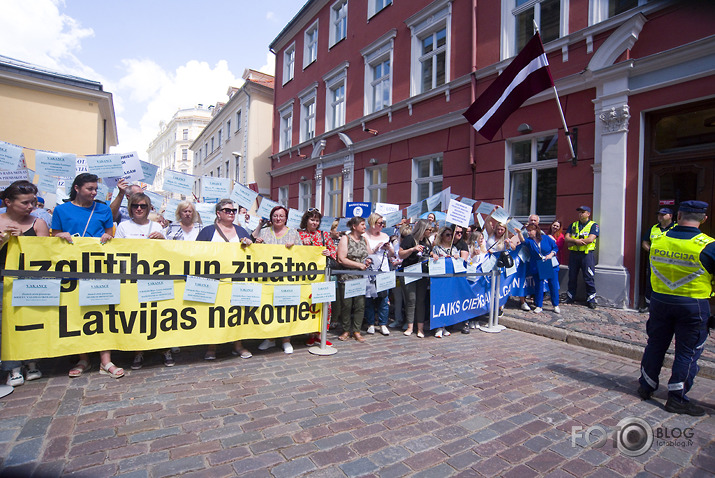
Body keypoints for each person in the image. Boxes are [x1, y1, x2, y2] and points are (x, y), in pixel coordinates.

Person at [637, 200, 714, 416]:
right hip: (692, 305)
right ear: (704, 219)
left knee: (655, 345)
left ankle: (646, 386)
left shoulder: (658, 240)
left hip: (660, 301)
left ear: (678, 215)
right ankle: (677, 398)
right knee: (687, 353)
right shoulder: (708, 246)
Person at [52, 173, 123, 379]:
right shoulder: (61, 210)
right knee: (78, 311)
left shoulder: (102, 210)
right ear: (76, 188)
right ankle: (83, 358)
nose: (93, 193)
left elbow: (110, 235)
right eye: (89, 189)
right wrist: (59, 236)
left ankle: (105, 360)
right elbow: (53, 236)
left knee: (103, 311)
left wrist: (108, 237)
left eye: (95, 189)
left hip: (99, 269)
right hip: (71, 269)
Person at [115, 194, 175, 368]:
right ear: (130, 208)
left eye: (142, 206)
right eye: (135, 206)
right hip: (132, 278)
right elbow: (117, 251)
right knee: (137, 314)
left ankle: (165, 349)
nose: (139, 209)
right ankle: (138, 351)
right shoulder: (124, 226)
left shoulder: (156, 226)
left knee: (160, 313)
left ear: (148, 208)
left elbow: (170, 252)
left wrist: (163, 239)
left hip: (156, 277)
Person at [0, 181, 50, 387]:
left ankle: (32, 363)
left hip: (30, 282)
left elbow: (45, 254)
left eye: (33, 202)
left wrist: (24, 243)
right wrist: (3, 240)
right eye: (25, 203)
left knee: (31, 320)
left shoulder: (38, 223)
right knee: (6, 325)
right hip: (4, 282)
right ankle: (12, 367)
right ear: (8, 202)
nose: (30, 207)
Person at [196, 199, 254, 360]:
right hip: (215, 280)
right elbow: (196, 254)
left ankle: (238, 345)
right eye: (227, 210)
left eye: (233, 210)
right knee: (214, 312)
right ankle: (212, 346)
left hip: (237, 279)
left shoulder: (241, 231)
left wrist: (250, 245)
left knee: (238, 312)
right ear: (218, 213)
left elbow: (253, 255)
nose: (231, 213)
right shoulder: (208, 231)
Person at [256, 205, 302, 353]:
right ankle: (269, 338)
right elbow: (256, 255)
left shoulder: (294, 233)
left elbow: (302, 254)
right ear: (271, 217)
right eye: (275, 215)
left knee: (285, 308)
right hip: (268, 279)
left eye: (281, 216)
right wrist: (257, 245)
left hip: (287, 279)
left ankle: (286, 339)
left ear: (286, 218)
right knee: (268, 308)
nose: (278, 218)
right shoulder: (264, 232)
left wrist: (295, 247)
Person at [298, 208, 336, 346]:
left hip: (322, 276)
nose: (314, 222)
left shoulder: (324, 235)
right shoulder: (299, 235)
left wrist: (328, 252)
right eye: (312, 219)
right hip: (306, 276)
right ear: (306, 220)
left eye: (317, 220)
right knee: (308, 304)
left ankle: (321, 334)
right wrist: (302, 245)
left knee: (323, 303)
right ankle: (310, 333)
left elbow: (334, 251)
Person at [336, 216, 371, 342]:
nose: (364, 227)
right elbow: (341, 258)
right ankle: (346, 330)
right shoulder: (345, 239)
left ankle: (356, 330)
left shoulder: (364, 240)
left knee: (360, 305)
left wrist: (368, 260)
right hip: (347, 277)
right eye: (362, 224)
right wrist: (359, 265)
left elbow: (369, 254)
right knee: (346, 305)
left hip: (361, 278)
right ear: (354, 226)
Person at [363, 213, 394, 336]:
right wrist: (375, 249)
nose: (382, 225)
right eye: (379, 223)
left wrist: (388, 248)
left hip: (383, 269)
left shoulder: (385, 235)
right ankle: (370, 323)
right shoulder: (365, 235)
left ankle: (383, 324)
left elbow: (392, 254)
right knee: (369, 298)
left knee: (384, 298)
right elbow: (365, 253)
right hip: (370, 270)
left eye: (383, 223)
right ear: (372, 223)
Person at [399, 219, 431, 338]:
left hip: (422, 274)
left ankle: (420, 328)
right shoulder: (410, 239)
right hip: (409, 273)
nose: (430, 231)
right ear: (423, 229)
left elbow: (429, 254)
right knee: (411, 300)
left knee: (421, 301)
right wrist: (413, 249)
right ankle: (410, 326)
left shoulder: (427, 241)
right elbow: (400, 254)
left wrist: (434, 255)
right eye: (429, 229)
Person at [640, 207, 676, 312]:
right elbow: (645, 242)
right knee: (651, 282)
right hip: (654, 261)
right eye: (659, 214)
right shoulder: (653, 228)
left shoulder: (676, 228)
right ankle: (648, 304)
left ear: (670, 216)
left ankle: (667, 307)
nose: (660, 216)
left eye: (663, 214)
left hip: (671, 262)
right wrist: (651, 250)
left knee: (669, 283)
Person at [564, 206, 599, 309]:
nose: (580, 214)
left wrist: (576, 242)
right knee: (572, 276)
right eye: (579, 212)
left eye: (583, 212)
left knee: (588, 277)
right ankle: (570, 296)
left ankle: (591, 299)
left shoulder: (593, 225)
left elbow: (591, 239)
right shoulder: (573, 225)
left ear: (588, 214)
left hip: (586, 255)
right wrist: (576, 241)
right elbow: (567, 237)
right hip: (574, 255)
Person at [522, 224, 560, 314]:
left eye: (530, 230)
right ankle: (539, 305)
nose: (529, 232)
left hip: (548, 263)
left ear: (536, 231)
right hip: (537, 264)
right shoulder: (530, 241)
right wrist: (520, 232)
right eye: (528, 231)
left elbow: (555, 247)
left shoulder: (546, 238)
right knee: (539, 285)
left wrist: (551, 255)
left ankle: (555, 305)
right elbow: (523, 241)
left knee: (552, 284)